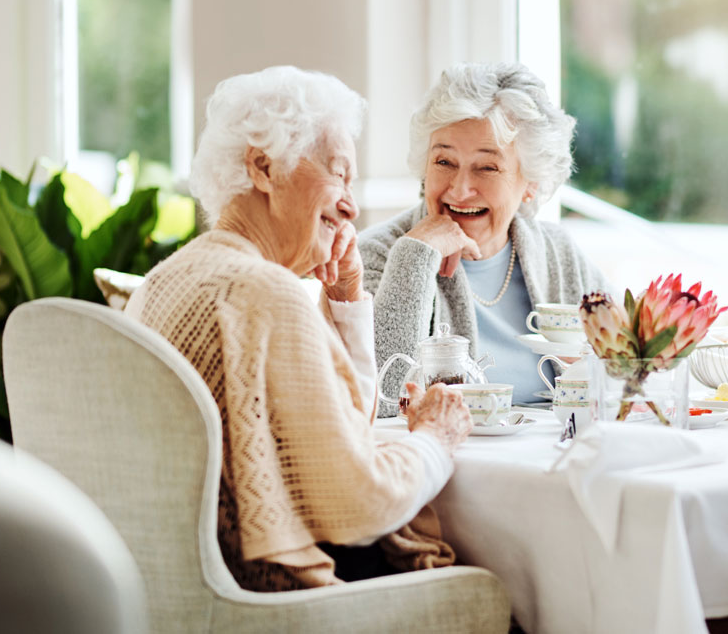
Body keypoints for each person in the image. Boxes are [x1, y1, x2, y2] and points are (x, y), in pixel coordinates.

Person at [125, 66, 473, 591]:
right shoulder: (265, 294)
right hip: (276, 605)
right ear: (263, 168)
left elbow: (339, 429)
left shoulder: (164, 281)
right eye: (338, 174)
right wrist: (434, 439)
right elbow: (360, 504)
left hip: (178, 595)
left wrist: (346, 296)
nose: (352, 206)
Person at [360, 62, 607, 413]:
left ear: (531, 183)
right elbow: (380, 401)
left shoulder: (556, 252)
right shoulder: (377, 255)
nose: (459, 190)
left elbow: (627, 366)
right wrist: (415, 257)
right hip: (443, 464)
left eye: (487, 167)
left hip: (553, 460)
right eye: (444, 161)